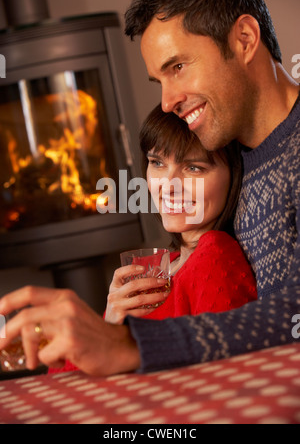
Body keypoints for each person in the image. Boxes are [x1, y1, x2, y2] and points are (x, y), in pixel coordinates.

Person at [0, 0, 299, 376]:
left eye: (178, 66)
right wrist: (113, 325)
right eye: (159, 80)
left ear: (244, 39)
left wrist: (130, 343)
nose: (167, 101)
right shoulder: (238, 150)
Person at [105, 105, 257, 324]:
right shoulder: (170, 265)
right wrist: (110, 323)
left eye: (193, 168)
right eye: (157, 163)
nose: (167, 186)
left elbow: (226, 356)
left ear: (233, 175)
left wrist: (113, 339)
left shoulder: (215, 257)